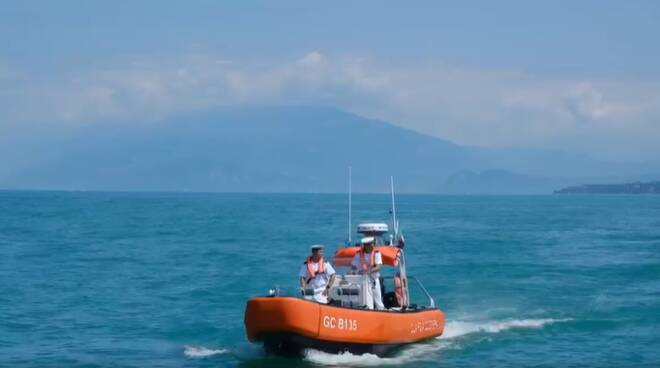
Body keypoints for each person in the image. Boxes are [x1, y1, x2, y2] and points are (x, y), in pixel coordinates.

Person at [351, 237, 385, 310]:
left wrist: (368, 271)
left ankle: (382, 313)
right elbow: (354, 266)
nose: (369, 246)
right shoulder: (358, 254)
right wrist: (353, 271)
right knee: (364, 300)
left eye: (370, 244)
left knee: (378, 300)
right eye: (366, 245)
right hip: (362, 280)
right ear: (364, 245)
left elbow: (378, 267)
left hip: (374, 279)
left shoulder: (376, 253)